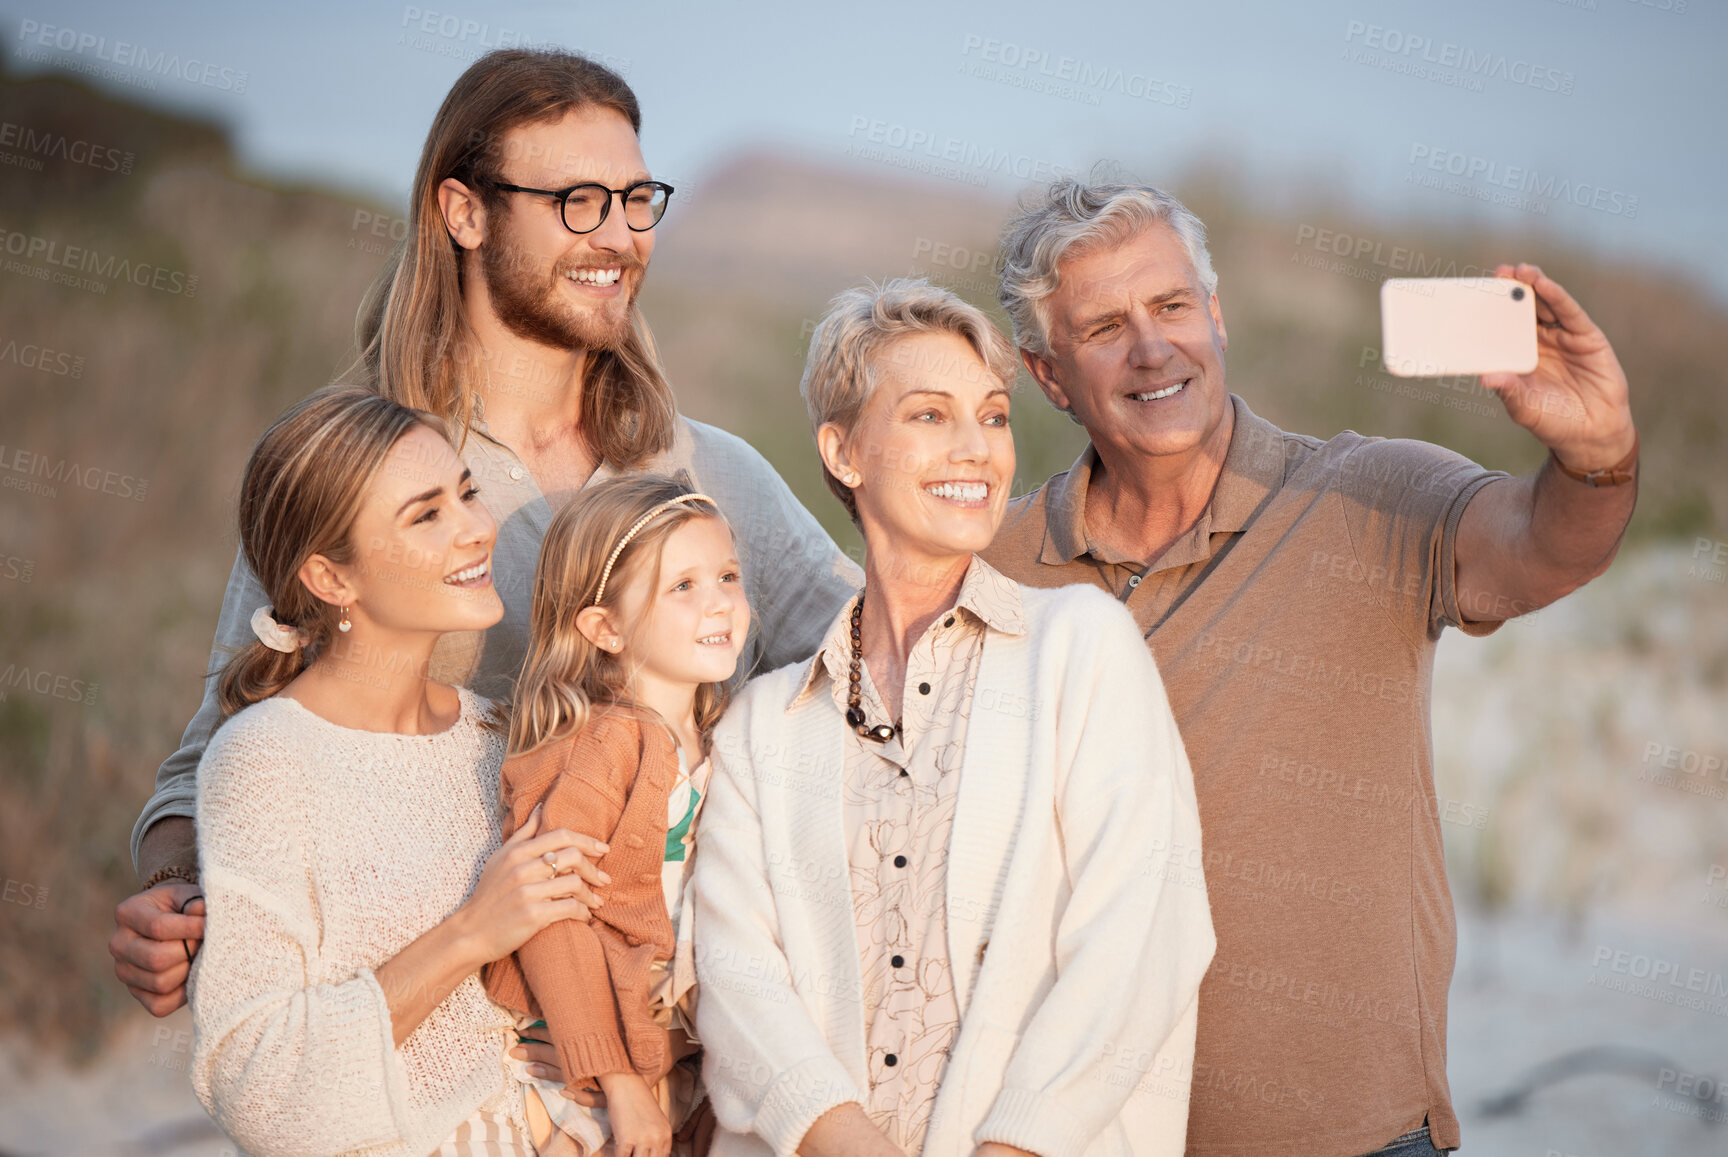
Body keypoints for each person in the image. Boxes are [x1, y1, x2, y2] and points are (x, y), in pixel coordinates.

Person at [111, 48, 858, 1028]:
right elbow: (212, 752)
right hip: (437, 1036)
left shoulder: (713, 473)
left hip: (670, 1038)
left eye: (638, 200)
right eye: (577, 201)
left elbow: (882, 673)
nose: (621, 237)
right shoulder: (353, 472)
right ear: (464, 212)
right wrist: (169, 893)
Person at [978, 179, 1640, 1157]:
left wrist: (1599, 456)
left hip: (1362, 1138)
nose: (1152, 348)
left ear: (1216, 315)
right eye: (1106, 326)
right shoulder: (996, 560)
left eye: (1170, 306)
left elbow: (1540, 548)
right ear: (1048, 373)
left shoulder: (1370, 491)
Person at [692, 280, 1216, 1157]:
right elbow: (739, 986)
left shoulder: (1081, 647)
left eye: (995, 416)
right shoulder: (762, 727)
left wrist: (1012, 1145)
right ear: (844, 450)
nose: (977, 449)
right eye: (931, 416)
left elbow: (1141, 936)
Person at [189, 387, 601, 1155]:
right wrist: (470, 933)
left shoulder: (495, 734)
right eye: (426, 514)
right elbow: (255, 1082)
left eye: (467, 494)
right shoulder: (265, 760)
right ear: (330, 578)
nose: (478, 529)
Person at [483, 475, 748, 1157]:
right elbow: (551, 918)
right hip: (587, 1059)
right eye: (682, 586)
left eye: (727, 575)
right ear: (604, 626)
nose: (718, 601)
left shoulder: (724, 736)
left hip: (669, 1050)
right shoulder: (601, 744)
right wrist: (622, 1081)